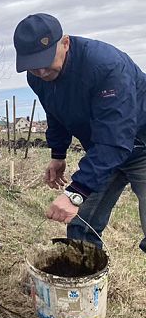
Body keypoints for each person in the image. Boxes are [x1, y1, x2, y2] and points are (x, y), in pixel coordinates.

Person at [13, 13, 146, 253]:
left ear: (65, 43)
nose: (41, 71)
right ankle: (80, 288)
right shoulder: (39, 78)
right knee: (81, 227)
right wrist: (58, 153)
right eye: (32, 66)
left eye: (45, 60)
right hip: (103, 150)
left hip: (140, 145)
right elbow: (56, 112)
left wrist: (76, 192)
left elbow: (115, 137)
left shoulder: (106, 65)